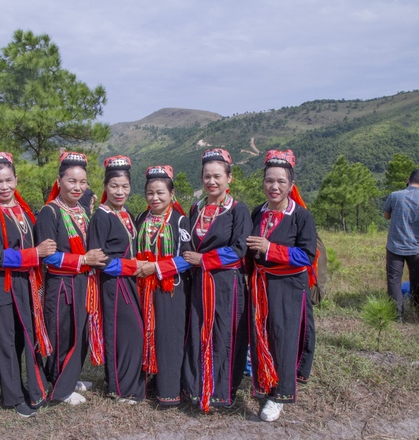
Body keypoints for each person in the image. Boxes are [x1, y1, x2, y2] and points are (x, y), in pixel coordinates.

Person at [0, 151, 58, 418]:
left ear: (16, 179)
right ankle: (14, 397)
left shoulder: (21, 209)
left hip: (25, 283)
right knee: (6, 342)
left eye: (8, 180)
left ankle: (35, 389)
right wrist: (36, 254)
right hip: (0, 286)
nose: (4, 187)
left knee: (26, 337)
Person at [246, 149, 317, 422]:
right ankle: (264, 382)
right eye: (269, 181)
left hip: (288, 286)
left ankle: (280, 395)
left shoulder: (301, 217)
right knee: (261, 335)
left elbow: (306, 256)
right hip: (260, 285)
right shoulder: (258, 213)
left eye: (281, 182)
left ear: (291, 185)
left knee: (283, 339)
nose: (274, 187)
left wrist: (271, 248)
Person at [181, 148, 250, 413]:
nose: (212, 181)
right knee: (198, 331)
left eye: (217, 176)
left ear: (229, 179)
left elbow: (239, 249)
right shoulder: (196, 208)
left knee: (224, 333)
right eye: (207, 176)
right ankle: (197, 389)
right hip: (199, 283)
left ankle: (222, 391)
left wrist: (204, 260)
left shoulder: (237, 210)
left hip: (225, 284)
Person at [36, 151, 107, 405]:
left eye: (82, 182)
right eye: (71, 181)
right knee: (62, 334)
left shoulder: (83, 210)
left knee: (81, 333)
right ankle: (59, 387)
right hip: (62, 284)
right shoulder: (49, 212)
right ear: (59, 181)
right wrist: (83, 260)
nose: (77, 187)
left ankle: (70, 377)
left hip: (83, 283)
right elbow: (48, 257)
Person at [87, 155, 146, 403]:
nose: (119, 192)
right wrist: (132, 267)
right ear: (105, 187)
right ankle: (119, 388)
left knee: (132, 334)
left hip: (130, 282)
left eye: (124, 186)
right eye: (114, 186)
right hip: (115, 284)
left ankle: (128, 383)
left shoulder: (124, 213)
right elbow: (99, 259)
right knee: (123, 333)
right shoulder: (101, 216)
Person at [134, 165, 192, 406]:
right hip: (144, 288)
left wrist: (157, 268)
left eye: (160, 193)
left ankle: (170, 392)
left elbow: (187, 258)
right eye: (150, 193)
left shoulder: (180, 221)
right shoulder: (140, 218)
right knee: (148, 334)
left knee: (169, 338)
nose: (155, 198)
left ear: (171, 193)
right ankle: (149, 380)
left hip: (171, 290)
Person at [383, 169, 419, 318]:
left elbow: (386, 215)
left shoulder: (395, 196)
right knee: (416, 278)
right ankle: (416, 309)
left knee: (394, 279)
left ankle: (397, 315)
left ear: (408, 179)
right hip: (417, 248)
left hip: (395, 246)